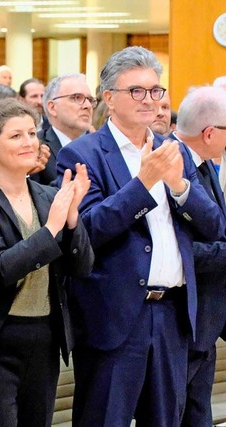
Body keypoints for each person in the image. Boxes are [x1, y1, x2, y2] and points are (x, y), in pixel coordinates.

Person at [55, 46, 225, 426]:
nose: (149, 100)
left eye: (155, 90)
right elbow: (88, 231)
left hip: (172, 315)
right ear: (110, 99)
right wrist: (144, 183)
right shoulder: (82, 154)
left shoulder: (173, 149)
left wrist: (179, 185)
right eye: (137, 91)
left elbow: (214, 225)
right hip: (113, 315)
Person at [0, 99, 93, 426]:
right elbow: (0, 268)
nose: (29, 142)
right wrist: (52, 228)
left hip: (43, 338)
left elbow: (82, 267)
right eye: (16, 136)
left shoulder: (49, 196)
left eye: (32, 133)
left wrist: (70, 220)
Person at [167, 86, 226, 427]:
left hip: (208, 315)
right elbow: (179, 248)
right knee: (177, 412)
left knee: (199, 412)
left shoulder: (203, 163)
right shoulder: (172, 165)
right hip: (183, 317)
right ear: (209, 133)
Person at [34, 73, 95, 185]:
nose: (87, 105)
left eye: (90, 99)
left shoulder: (104, 145)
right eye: (77, 98)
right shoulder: (36, 146)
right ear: (52, 107)